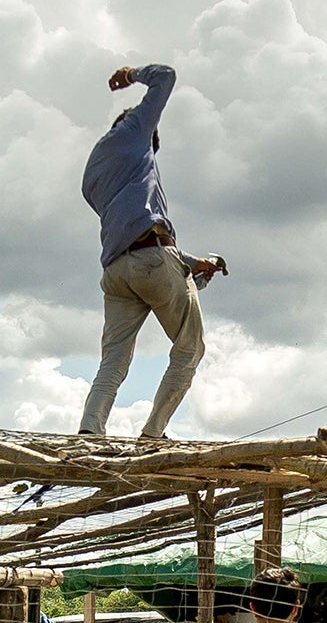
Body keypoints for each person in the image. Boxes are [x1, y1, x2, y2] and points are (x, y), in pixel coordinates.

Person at [77, 63, 225, 438]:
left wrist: (193, 264)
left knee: (113, 361)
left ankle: (90, 432)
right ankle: (153, 434)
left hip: (117, 273)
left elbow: (134, 232)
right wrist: (130, 74)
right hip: (150, 263)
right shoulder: (134, 132)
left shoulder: (94, 174)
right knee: (190, 349)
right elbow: (166, 76)